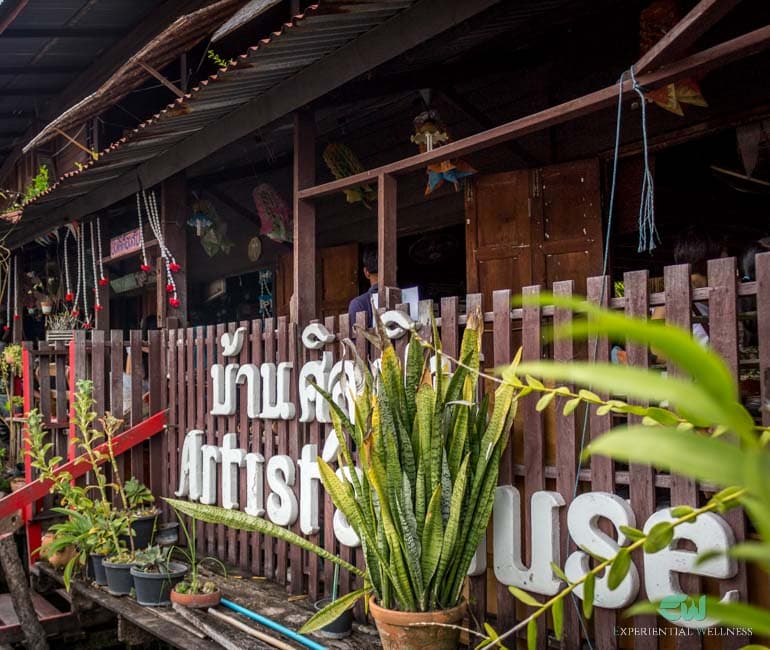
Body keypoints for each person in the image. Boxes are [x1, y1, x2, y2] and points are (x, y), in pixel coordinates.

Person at [348, 246, 378, 326]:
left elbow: (356, 337)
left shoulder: (358, 304)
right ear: (395, 268)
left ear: (366, 272)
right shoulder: (408, 298)